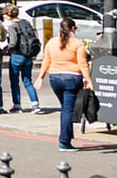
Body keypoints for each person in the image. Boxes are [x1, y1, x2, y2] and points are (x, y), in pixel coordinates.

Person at [37, 16, 90, 152]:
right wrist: (89, 81)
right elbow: (82, 64)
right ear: (73, 29)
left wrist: (40, 77)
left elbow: (46, 61)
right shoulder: (77, 43)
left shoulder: (51, 42)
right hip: (72, 79)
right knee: (67, 110)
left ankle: (67, 136)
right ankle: (64, 142)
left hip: (55, 78)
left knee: (66, 109)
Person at [2, 4, 44, 114]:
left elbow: (13, 43)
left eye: (5, 14)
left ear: (8, 14)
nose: (4, 17)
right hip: (28, 55)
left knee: (14, 81)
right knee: (27, 80)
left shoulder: (12, 26)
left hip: (17, 55)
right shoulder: (26, 22)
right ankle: (36, 105)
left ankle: (17, 106)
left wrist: (7, 50)